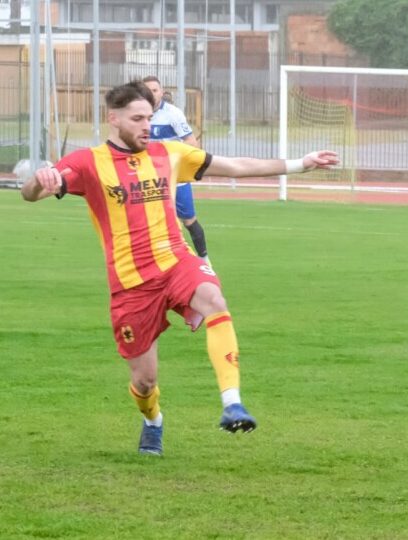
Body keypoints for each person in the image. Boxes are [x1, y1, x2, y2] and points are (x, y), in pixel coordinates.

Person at [21, 81, 339, 456]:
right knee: (144, 380)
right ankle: (153, 419)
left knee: (214, 299)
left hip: (175, 262)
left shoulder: (170, 153)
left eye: (150, 118)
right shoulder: (87, 162)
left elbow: (234, 165)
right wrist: (40, 182)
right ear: (113, 118)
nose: (146, 126)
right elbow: (31, 193)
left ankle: (232, 402)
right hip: (131, 284)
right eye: (138, 118)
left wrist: (301, 163)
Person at [142, 75, 210, 265]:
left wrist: (177, 164)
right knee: (151, 222)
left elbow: (191, 142)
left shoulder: (172, 113)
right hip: (151, 180)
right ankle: (156, 263)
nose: (151, 94)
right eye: (147, 90)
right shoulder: (138, 115)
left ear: (161, 92)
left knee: (189, 221)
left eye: (154, 90)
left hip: (175, 178)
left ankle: (205, 261)